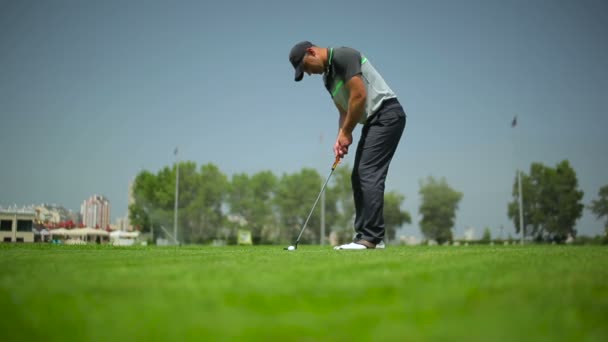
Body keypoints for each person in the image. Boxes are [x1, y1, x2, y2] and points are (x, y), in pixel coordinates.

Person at [289, 41, 406, 250]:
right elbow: (344, 111)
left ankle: (371, 238)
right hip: (373, 121)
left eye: (306, 67)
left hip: (387, 115)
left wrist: (347, 132)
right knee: (358, 175)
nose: (307, 73)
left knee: (367, 173)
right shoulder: (328, 79)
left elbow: (359, 96)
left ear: (312, 52)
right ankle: (368, 236)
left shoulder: (344, 56)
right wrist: (340, 137)